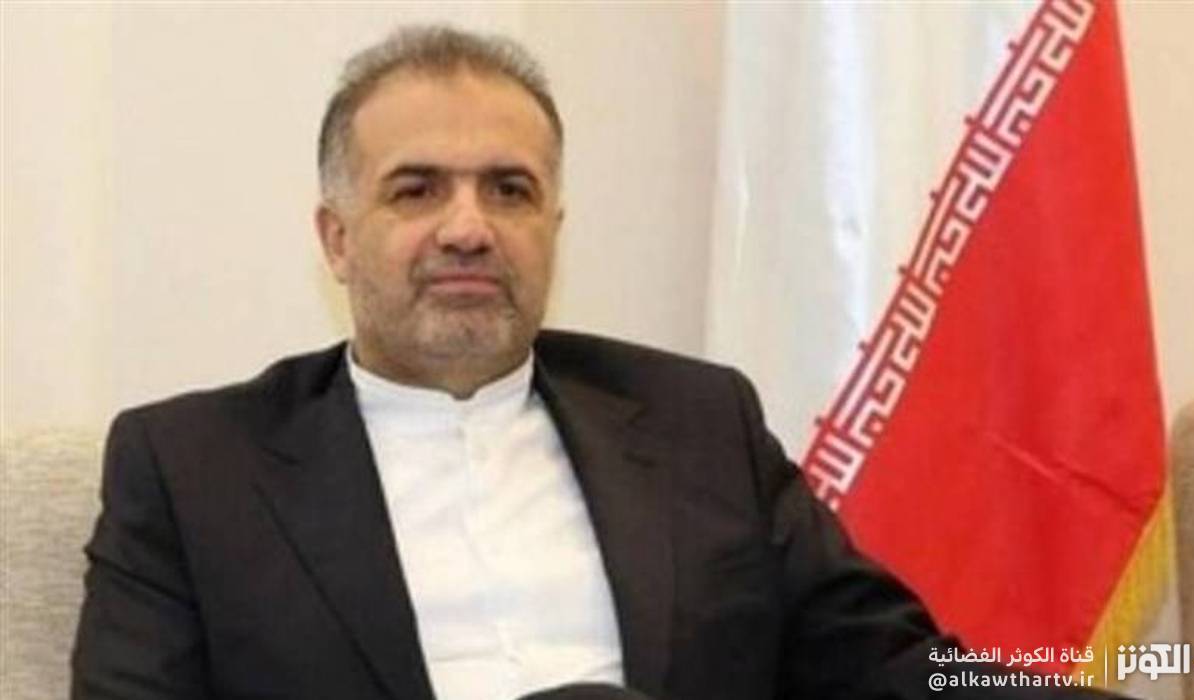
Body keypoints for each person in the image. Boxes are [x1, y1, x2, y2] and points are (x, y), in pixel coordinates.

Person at [71, 25, 1118, 700]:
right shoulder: (193, 466)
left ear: (554, 228)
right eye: (416, 189)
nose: (469, 228)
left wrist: (1152, 682)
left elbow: (894, 668)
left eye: (510, 190)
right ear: (336, 238)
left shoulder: (697, 423)